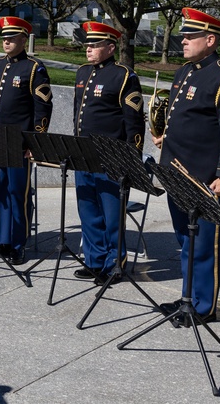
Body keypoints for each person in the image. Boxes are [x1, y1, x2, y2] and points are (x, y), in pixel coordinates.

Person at [152, 8, 220, 327]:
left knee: (205, 246)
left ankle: (203, 306)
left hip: (205, 179)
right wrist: (165, 136)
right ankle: (187, 298)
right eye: (184, 35)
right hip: (177, 174)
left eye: (191, 36)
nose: (183, 40)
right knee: (186, 241)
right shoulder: (185, 72)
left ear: (210, 39)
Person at [0, 16, 53, 266]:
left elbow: (43, 108)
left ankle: (18, 244)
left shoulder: (34, 68)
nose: (6, 41)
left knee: (18, 194)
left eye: (11, 38)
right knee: (1, 193)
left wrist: (36, 142)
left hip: (20, 142)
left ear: (23, 39)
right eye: (3, 37)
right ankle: (4, 240)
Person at [73, 21, 145, 286]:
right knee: (89, 211)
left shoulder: (124, 76)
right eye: (87, 45)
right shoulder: (82, 73)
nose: (88, 49)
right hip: (84, 154)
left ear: (111, 47)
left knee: (112, 214)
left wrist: (131, 159)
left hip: (112, 156)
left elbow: (134, 122)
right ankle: (94, 261)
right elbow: (77, 113)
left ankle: (115, 264)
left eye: (95, 45)